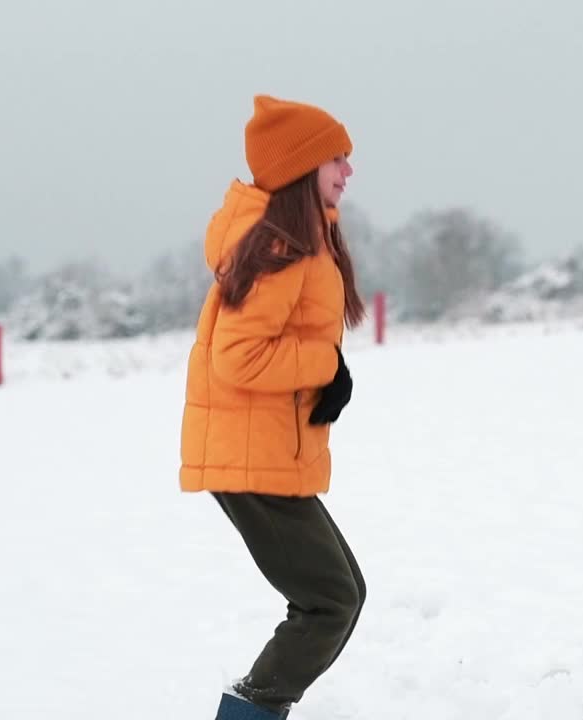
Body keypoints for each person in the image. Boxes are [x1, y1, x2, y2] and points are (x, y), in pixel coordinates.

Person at [179, 94, 368, 720]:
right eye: (335, 159)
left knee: (340, 594)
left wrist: (322, 375)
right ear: (299, 167)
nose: (348, 171)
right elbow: (239, 356)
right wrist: (324, 368)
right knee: (331, 600)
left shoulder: (304, 235)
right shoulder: (281, 246)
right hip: (249, 457)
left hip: (264, 451)